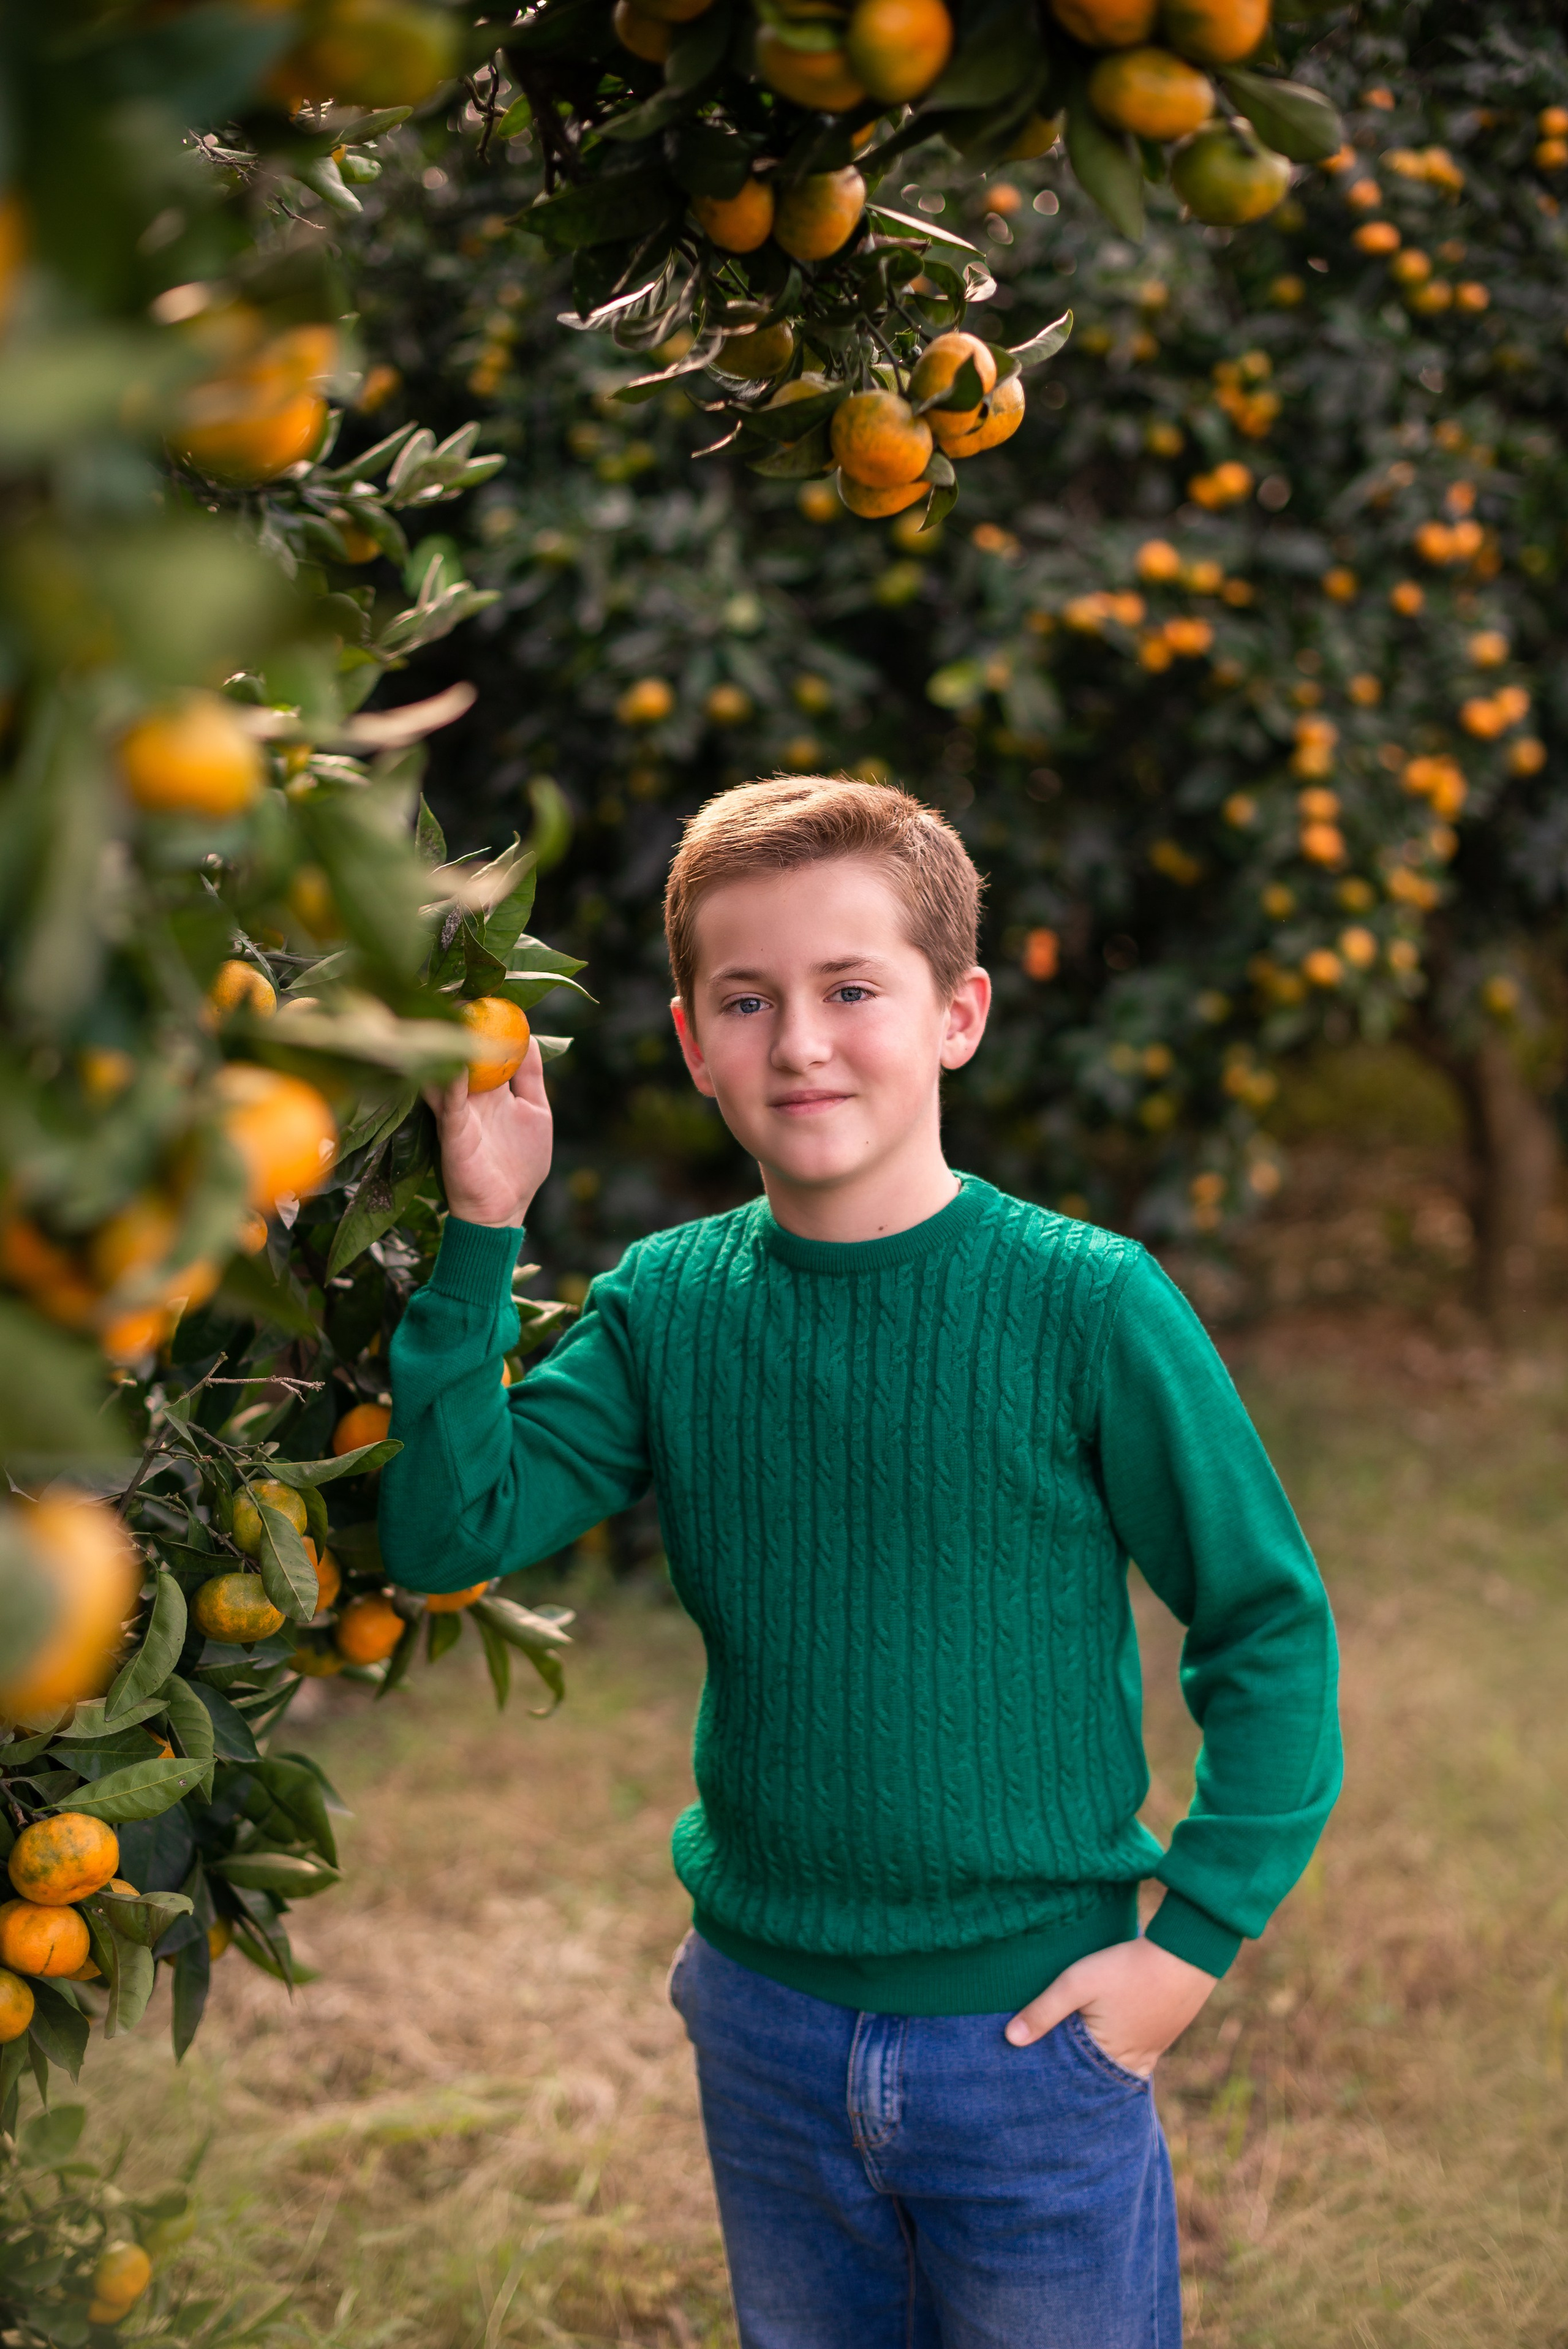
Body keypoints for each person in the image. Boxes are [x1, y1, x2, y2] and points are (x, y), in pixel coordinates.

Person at [380, 775, 1341, 2348]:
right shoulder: (666, 1307)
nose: (798, 1044)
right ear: (692, 1044)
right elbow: (444, 1533)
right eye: (745, 1000)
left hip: (1029, 2042)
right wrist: (485, 1223)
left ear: (957, 1014)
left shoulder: (1084, 1302)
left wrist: (1189, 1946)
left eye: (850, 990)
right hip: (763, 2024)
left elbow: (1264, 1623)